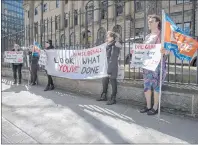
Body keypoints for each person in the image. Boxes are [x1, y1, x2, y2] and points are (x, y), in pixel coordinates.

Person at [139, 14, 169, 115]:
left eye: (151, 21)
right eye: (149, 22)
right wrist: (136, 52)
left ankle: (155, 107)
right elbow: (143, 49)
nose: (149, 23)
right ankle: (148, 106)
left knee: (156, 86)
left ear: (157, 22)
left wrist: (165, 51)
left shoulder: (162, 35)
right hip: (147, 65)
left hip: (158, 65)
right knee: (147, 86)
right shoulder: (147, 36)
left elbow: (168, 51)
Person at [96, 31, 122, 105]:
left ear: (112, 37)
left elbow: (113, 58)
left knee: (113, 82)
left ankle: (113, 98)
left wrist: (109, 70)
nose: (107, 37)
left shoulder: (115, 45)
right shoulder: (107, 44)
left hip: (112, 66)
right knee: (104, 81)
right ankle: (104, 95)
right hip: (106, 66)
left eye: (108, 36)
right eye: (107, 36)